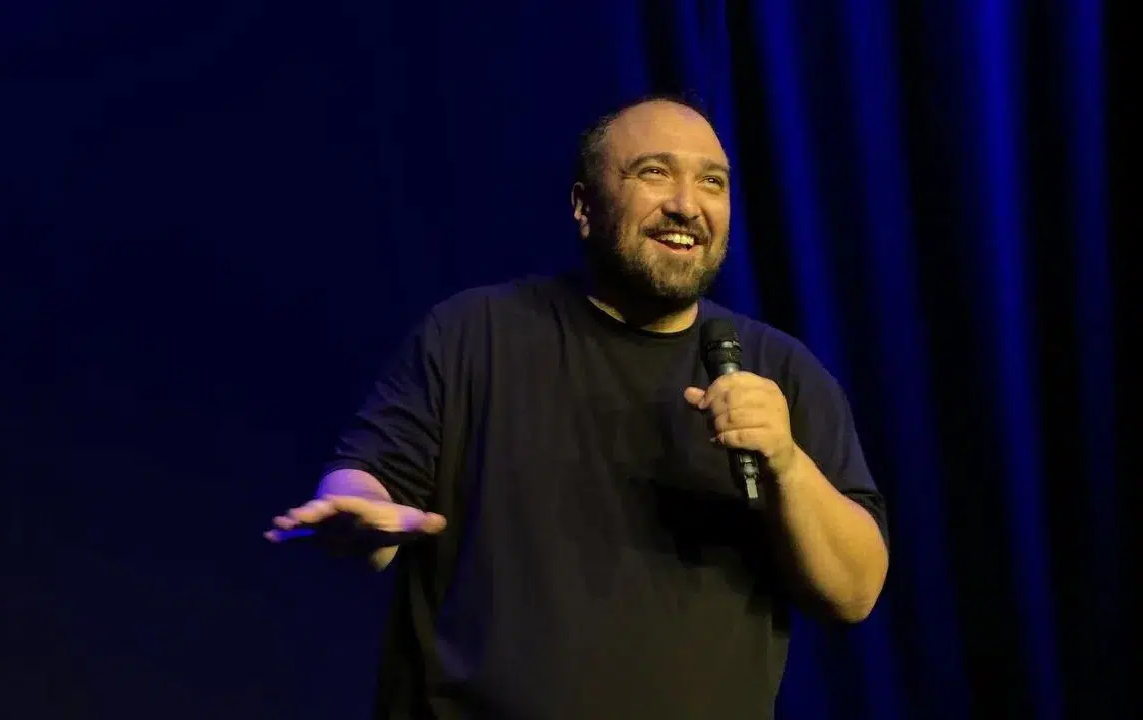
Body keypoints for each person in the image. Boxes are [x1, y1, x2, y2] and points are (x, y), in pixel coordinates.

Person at [266, 96, 890, 719]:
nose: (686, 204)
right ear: (584, 206)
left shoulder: (779, 372)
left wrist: (786, 462)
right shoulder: (474, 335)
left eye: (712, 182)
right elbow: (368, 481)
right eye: (653, 172)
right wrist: (358, 515)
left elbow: (855, 592)